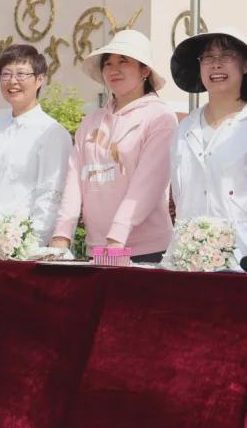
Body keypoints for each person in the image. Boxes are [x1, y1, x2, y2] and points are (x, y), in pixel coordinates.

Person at [50, 30, 177, 262]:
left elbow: (148, 184)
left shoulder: (160, 117)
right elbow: (73, 180)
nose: (113, 69)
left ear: (145, 70)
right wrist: (61, 235)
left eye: (123, 61)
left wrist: (117, 236)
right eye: (107, 63)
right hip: (97, 249)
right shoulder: (90, 122)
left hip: (144, 250)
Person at [169, 28, 247, 259]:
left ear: (245, 65)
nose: (216, 64)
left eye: (226, 56)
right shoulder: (185, 129)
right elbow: (180, 196)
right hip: (189, 261)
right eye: (208, 57)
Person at [0, 44, 72, 252]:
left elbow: (51, 195)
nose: (12, 81)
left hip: (27, 242)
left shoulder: (51, 132)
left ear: (40, 79)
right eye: (6, 74)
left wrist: (30, 243)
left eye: (21, 74)